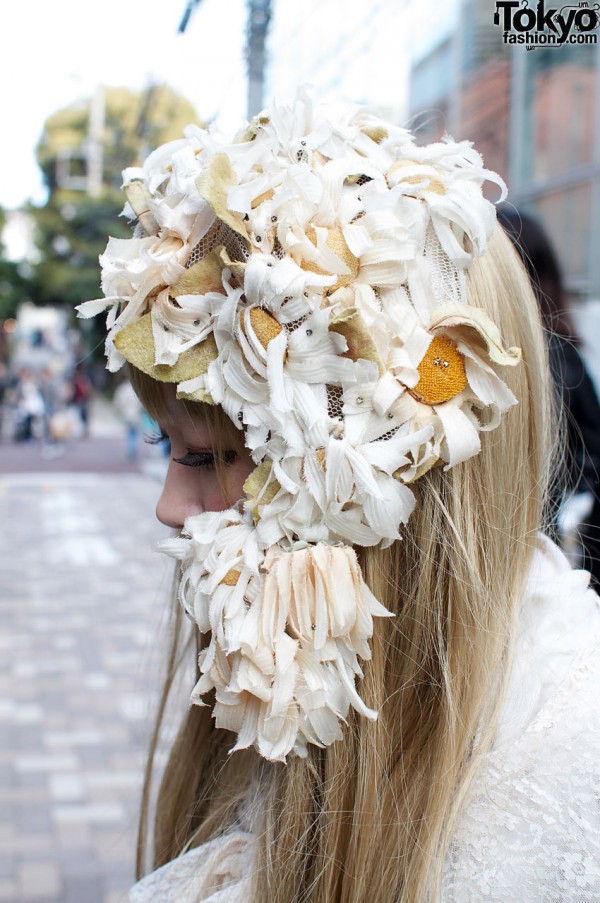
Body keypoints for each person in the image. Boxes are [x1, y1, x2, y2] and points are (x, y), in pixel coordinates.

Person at [78, 95, 600, 902]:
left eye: (207, 454)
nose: (170, 506)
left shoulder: (566, 789)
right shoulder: (277, 680)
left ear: (380, 482)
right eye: (165, 445)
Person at [497, 205, 600, 585]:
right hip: (536, 545)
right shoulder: (560, 353)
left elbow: (590, 451)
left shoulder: (550, 356)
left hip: (525, 544)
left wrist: (558, 494)